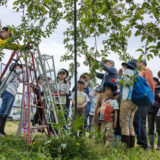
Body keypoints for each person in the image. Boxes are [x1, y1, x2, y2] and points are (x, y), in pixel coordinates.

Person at [133, 58, 154, 150]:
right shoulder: (139, 72)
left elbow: (150, 86)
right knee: (136, 121)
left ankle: (144, 145)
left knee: (140, 121)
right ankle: (140, 142)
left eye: (137, 62)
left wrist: (150, 99)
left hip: (144, 100)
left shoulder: (146, 70)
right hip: (140, 100)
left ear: (142, 63)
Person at [117, 60, 138, 148]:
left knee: (124, 123)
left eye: (124, 66)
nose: (123, 67)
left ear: (127, 66)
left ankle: (125, 147)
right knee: (130, 123)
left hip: (126, 100)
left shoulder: (128, 72)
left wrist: (116, 79)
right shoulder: (136, 73)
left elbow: (123, 82)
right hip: (135, 101)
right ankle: (131, 146)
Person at [0, 63, 23, 136]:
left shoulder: (17, 77)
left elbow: (24, 77)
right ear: (14, 67)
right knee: (3, 111)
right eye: (18, 66)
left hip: (12, 95)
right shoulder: (12, 73)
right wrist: (26, 67)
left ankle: (2, 130)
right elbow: (20, 71)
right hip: (8, 93)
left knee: (7, 113)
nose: (19, 68)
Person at [148, 77, 160, 149]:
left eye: (154, 81)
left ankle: (159, 145)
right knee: (150, 128)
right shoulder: (149, 90)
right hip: (149, 111)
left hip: (158, 111)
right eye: (151, 81)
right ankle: (151, 145)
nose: (152, 82)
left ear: (157, 82)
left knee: (159, 128)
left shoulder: (159, 90)